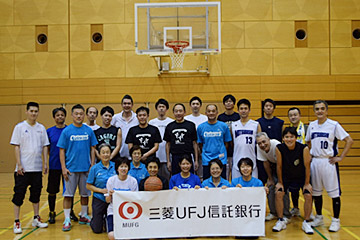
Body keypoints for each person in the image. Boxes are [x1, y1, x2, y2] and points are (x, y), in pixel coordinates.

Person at [306, 100, 353, 232]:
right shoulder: (312, 125)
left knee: (334, 193)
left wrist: (341, 157)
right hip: (315, 161)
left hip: (328, 162)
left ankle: (336, 220)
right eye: (317, 109)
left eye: (322, 108)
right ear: (314, 111)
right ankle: (319, 216)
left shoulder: (334, 125)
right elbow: (308, 141)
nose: (319, 111)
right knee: (316, 192)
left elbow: (349, 140)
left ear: (326, 110)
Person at [10, 102, 49, 234]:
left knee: (36, 194)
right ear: (27, 112)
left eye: (36, 111)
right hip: (23, 169)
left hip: (36, 168)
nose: (33, 113)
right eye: (31, 111)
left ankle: (36, 218)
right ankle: (17, 221)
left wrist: (45, 163)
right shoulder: (19, 127)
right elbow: (16, 146)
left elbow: (45, 146)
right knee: (19, 194)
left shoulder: (41, 128)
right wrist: (19, 164)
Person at [57, 104, 98, 231]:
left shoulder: (88, 130)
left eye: (81, 114)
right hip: (71, 170)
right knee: (68, 195)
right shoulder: (67, 131)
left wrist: (92, 165)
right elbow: (62, 150)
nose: (79, 116)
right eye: (76, 114)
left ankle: (84, 215)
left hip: (86, 169)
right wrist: (63, 168)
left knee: (85, 194)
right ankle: (67, 219)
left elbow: (93, 148)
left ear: (84, 115)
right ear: (72, 115)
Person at [272, 127, 313, 234]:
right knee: (279, 193)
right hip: (286, 176)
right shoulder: (279, 148)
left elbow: (307, 167)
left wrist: (307, 183)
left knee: (308, 195)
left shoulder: (303, 148)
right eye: (286, 137)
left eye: (291, 137)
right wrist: (280, 182)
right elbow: (279, 166)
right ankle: (281, 220)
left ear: (296, 138)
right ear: (283, 138)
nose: (289, 139)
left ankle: (306, 222)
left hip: (301, 176)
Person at [46, 107, 76, 223]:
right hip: (54, 166)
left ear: (65, 116)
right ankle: (52, 212)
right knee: (52, 190)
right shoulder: (49, 131)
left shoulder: (70, 130)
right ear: (54, 117)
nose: (60, 117)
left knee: (69, 191)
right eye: (57, 115)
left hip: (68, 167)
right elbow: (48, 149)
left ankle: (70, 211)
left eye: (62, 115)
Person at [256, 132, 291, 222]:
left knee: (282, 189)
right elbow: (265, 163)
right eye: (259, 143)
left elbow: (280, 164)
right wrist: (270, 179)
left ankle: (286, 214)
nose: (262, 145)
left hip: (285, 166)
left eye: (264, 141)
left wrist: (280, 181)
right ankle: (273, 212)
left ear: (269, 140)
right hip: (273, 166)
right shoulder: (259, 148)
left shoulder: (276, 145)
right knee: (271, 187)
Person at [86, 143, 116, 234]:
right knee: (97, 230)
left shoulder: (116, 166)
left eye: (108, 152)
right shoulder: (94, 168)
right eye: (103, 152)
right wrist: (101, 190)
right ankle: (96, 220)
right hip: (99, 199)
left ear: (111, 153)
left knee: (113, 229)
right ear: (99, 154)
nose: (106, 154)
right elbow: (88, 185)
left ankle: (106, 218)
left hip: (112, 200)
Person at [106, 157, 138, 240]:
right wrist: (109, 195)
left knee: (130, 236)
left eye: (125, 166)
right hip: (113, 211)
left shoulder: (133, 181)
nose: (123, 169)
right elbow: (107, 201)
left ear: (128, 168)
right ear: (117, 168)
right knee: (111, 235)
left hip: (129, 213)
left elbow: (136, 200)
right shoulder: (111, 180)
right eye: (121, 166)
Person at [197, 104, 232, 179]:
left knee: (222, 184)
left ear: (217, 112)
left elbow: (226, 143)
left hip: (221, 159)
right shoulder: (200, 127)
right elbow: (200, 144)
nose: (211, 113)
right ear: (206, 113)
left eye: (213, 111)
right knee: (207, 184)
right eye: (209, 111)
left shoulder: (224, 126)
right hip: (207, 160)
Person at [164, 103, 198, 175]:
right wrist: (168, 161)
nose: (178, 113)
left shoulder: (191, 125)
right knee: (176, 178)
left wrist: (196, 160)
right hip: (175, 157)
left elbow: (194, 143)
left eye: (180, 111)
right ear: (173, 113)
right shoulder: (169, 126)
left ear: (184, 112)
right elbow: (168, 144)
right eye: (176, 111)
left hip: (188, 156)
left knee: (190, 177)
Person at [231, 99, 261, 179]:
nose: (243, 111)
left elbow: (259, 143)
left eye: (245, 108)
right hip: (237, 160)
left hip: (252, 161)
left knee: (253, 189)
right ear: (238, 110)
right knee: (236, 188)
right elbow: (232, 143)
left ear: (249, 110)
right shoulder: (233, 125)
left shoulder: (256, 124)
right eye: (241, 109)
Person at [256, 98, 284, 185]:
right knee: (264, 180)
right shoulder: (258, 122)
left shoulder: (280, 122)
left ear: (273, 108)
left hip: (276, 154)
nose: (268, 108)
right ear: (263, 108)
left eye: (270, 106)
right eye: (266, 106)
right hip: (264, 153)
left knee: (279, 180)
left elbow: (283, 138)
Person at [287, 107, 308, 217]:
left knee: (306, 187)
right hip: (292, 163)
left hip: (305, 161)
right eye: (291, 115)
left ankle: (310, 212)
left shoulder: (306, 128)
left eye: (295, 115)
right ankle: (295, 208)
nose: (293, 117)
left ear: (299, 116)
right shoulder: (287, 130)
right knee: (293, 189)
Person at [149, 98, 173, 181]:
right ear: (156, 109)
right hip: (156, 156)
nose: (161, 108)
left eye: (163, 106)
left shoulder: (171, 122)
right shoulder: (152, 122)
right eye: (159, 107)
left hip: (167, 157)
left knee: (167, 180)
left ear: (166, 109)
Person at [217, 94, 240, 180]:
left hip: (235, 150)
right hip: (224, 150)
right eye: (226, 102)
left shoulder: (238, 116)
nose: (228, 103)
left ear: (234, 104)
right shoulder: (220, 117)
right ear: (224, 104)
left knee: (235, 175)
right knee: (224, 175)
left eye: (230, 101)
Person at [111, 95, 139, 159]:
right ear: (121, 105)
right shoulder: (115, 118)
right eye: (125, 103)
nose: (126, 105)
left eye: (129, 103)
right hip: (118, 154)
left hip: (134, 155)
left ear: (132, 105)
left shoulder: (137, 117)